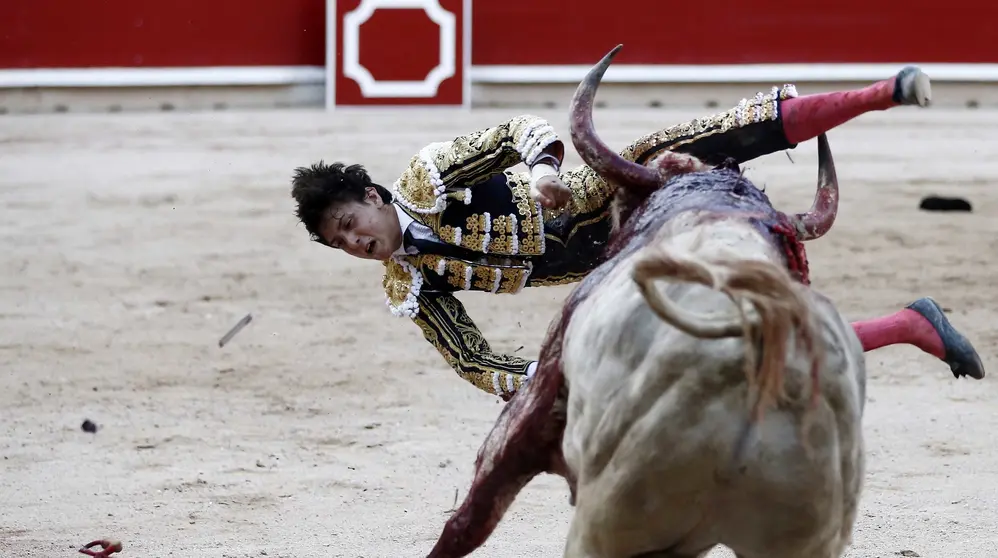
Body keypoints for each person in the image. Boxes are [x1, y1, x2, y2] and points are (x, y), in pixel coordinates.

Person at [290, 67, 985, 400]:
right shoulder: (408, 284)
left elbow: (515, 132)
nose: (354, 242)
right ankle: (906, 326)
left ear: (374, 196)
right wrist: (548, 376)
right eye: (340, 242)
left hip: (611, 191)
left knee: (709, 135)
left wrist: (540, 170)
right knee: (725, 346)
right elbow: (472, 360)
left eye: (350, 224)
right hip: (619, 267)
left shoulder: (427, 176)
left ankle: (881, 93)